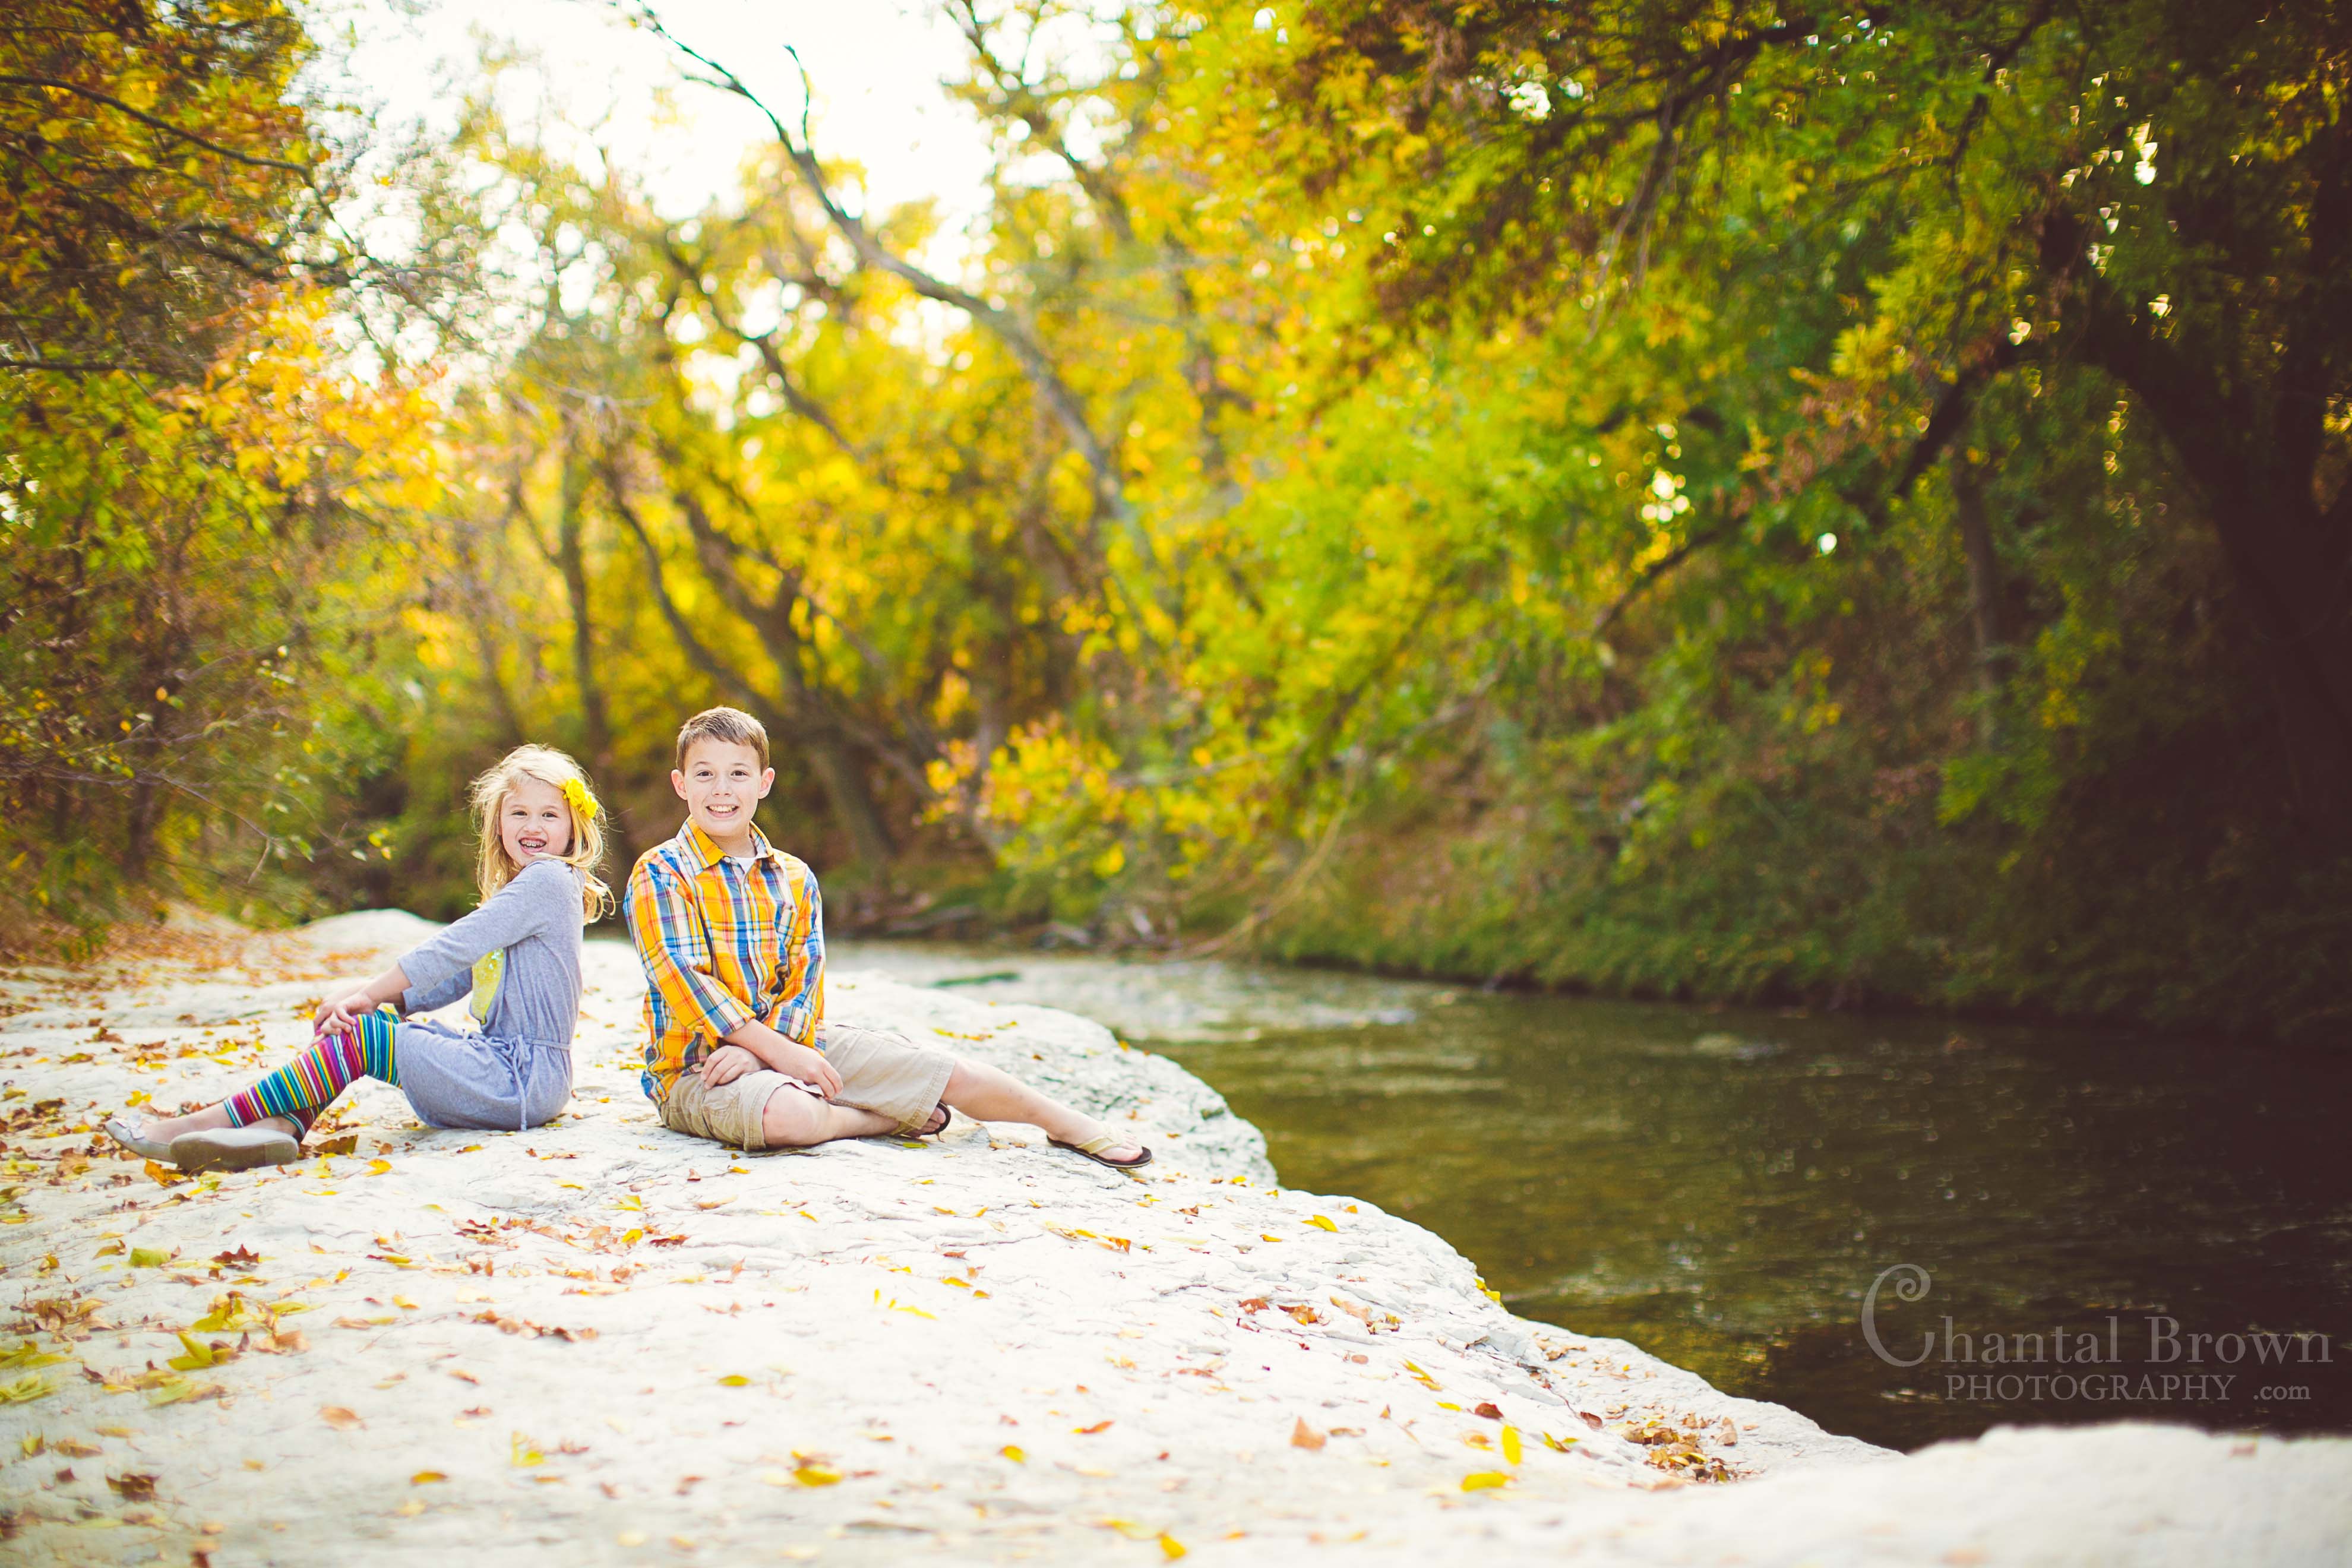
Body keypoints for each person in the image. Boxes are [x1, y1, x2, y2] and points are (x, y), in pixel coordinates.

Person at [626, 706, 1149, 1168]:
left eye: (738, 773)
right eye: (705, 775)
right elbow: (684, 981)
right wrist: (776, 1055)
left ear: (764, 783)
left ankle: (1069, 1126)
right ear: (680, 784)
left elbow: (804, 983)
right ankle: (879, 1120)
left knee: (941, 1071)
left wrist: (773, 1051)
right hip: (697, 1072)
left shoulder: (794, 877)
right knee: (785, 1115)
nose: (722, 789)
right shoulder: (662, 871)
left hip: (791, 1042)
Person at [105, 745, 609, 1173]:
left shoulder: (548, 880)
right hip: (511, 1075)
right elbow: (455, 976)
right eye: (519, 813)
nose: (533, 827)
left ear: (573, 827)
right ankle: (282, 1128)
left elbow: (451, 946)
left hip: (520, 1079)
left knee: (365, 1029)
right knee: (366, 1021)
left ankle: (202, 1123)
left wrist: (368, 991)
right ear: (497, 822)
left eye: (550, 815)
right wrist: (369, 1000)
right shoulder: (524, 889)